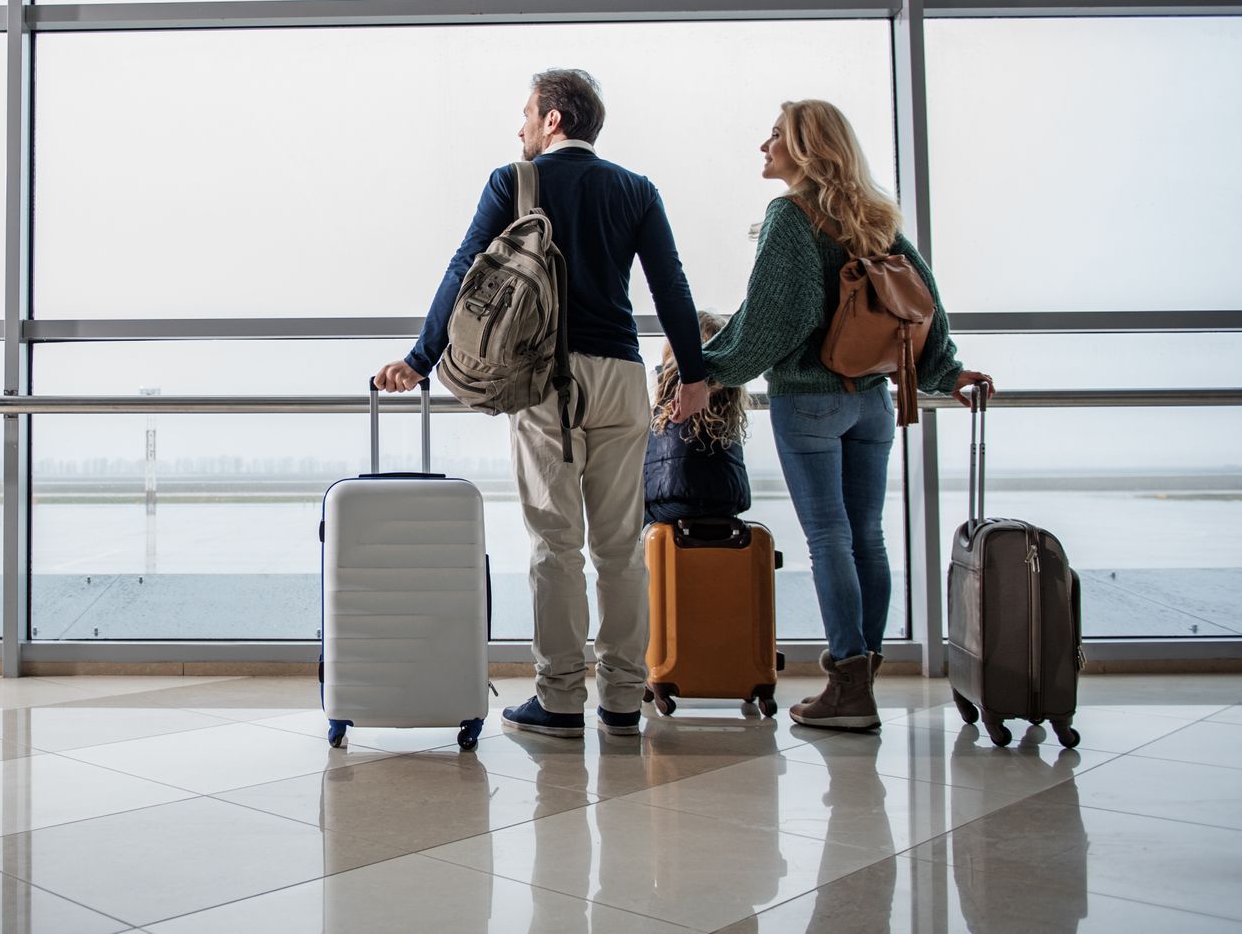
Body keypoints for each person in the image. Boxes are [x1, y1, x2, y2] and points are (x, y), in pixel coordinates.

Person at [375, 68, 708, 739]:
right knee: (620, 549)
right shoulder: (637, 190)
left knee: (556, 546)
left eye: (526, 114)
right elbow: (670, 284)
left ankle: (559, 698)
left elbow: (463, 267)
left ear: (553, 120)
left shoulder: (514, 182)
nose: (519, 127)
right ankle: (620, 698)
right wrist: (694, 377)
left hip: (547, 382)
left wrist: (419, 358)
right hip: (622, 378)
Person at [702, 99, 993, 730]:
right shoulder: (873, 216)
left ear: (804, 148)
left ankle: (849, 688)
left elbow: (778, 319)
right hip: (874, 399)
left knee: (830, 539)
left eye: (775, 135)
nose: (763, 145)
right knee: (868, 537)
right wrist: (945, 371)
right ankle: (861, 681)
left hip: (810, 397)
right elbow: (924, 305)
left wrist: (709, 369)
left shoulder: (791, 214)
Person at [643, 311, 750, 526]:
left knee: (638, 519)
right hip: (727, 500)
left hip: (670, 502)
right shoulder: (730, 390)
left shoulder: (668, 382)